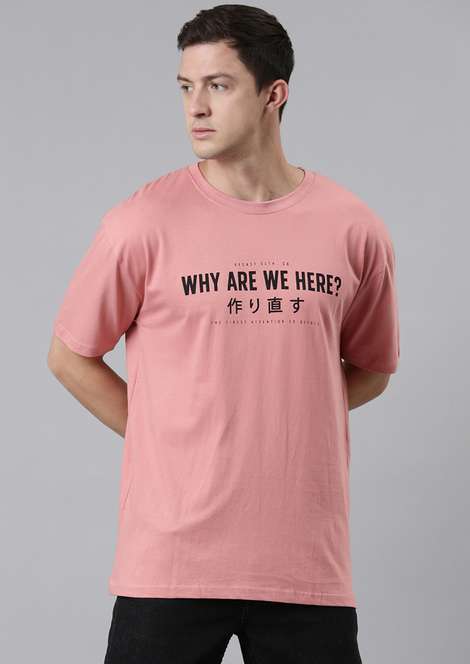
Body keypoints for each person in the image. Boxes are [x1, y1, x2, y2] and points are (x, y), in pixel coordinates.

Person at [47, 4, 400, 663]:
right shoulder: (140, 224)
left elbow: (373, 368)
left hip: (305, 565)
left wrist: (283, 420)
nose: (196, 107)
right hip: (170, 563)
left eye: (219, 85)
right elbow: (69, 356)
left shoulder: (353, 229)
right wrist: (168, 434)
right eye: (186, 87)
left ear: (274, 94)